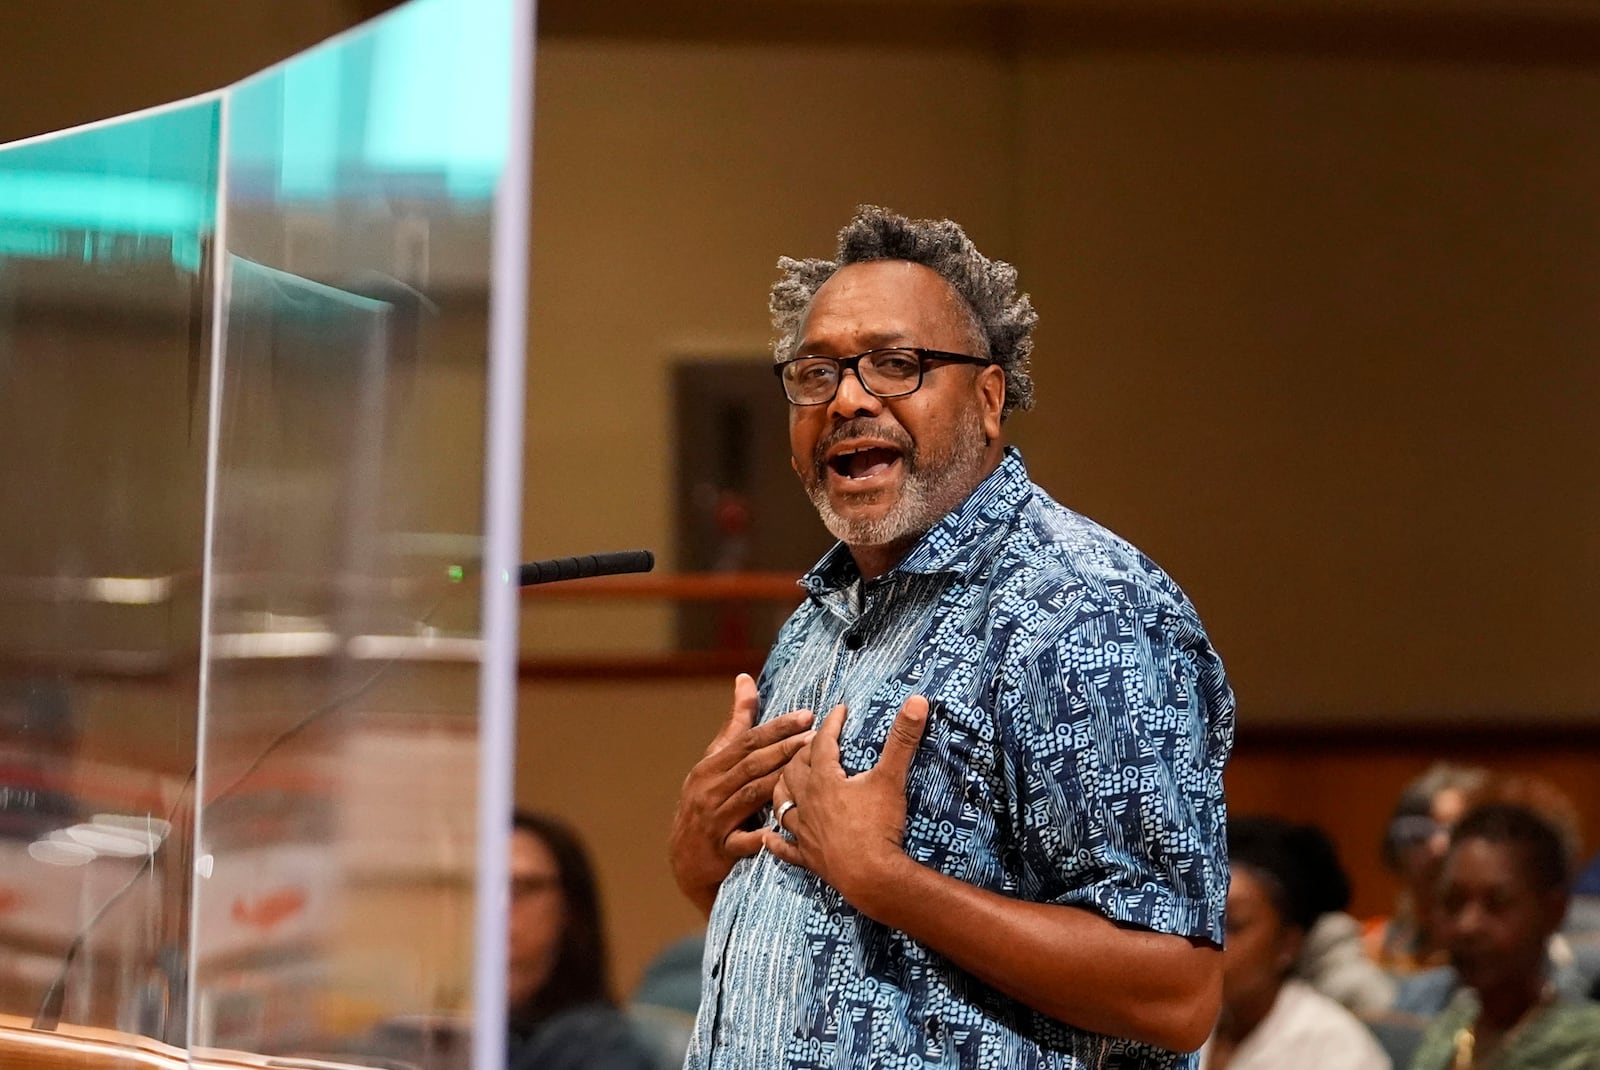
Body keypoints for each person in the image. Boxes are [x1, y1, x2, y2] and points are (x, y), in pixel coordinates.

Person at [668, 206, 1235, 1068]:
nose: (849, 398)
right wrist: (703, 858)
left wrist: (892, 882)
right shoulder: (821, 620)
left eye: (897, 366)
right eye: (816, 375)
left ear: (988, 398)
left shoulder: (1078, 607)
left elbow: (1175, 992)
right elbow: (836, 958)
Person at [1407, 803, 1600, 1070]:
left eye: (1497, 904)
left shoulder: (1588, 1047)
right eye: (1453, 902)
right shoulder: (1447, 1030)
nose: (1467, 925)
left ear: (1554, 911)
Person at [1201, 816, 1390, 1070]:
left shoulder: (1336, 1048)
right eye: (1202, 922)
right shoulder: (1187, 1021)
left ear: (1287, 944)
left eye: (1232, 925)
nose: (1209, 940)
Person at [506, 810, 656, 1070]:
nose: (497, 908)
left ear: (569, 909)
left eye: (520, 888)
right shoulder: (436, 1034)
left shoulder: (598, 1044)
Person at [1366, 763, 1490, 974]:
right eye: (1419, 832)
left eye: (1455, 830)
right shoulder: (1370, 948)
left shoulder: (1505, 953)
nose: (1438, 847)